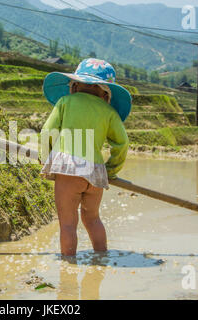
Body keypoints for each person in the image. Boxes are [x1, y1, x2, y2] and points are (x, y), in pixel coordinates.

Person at [40, 58, 131, 256]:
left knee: (68, 223)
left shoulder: (65, 102)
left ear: (74, 85)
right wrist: (110, 171)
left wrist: (45, 158)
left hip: (69, 169)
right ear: (105, 93)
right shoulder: (108, 111)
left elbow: (47, 131)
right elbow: (122, 144)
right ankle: (101, 258)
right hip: (96, 172)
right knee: (92, 219)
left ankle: (69, 266)